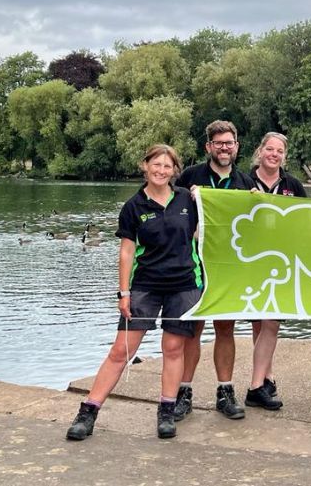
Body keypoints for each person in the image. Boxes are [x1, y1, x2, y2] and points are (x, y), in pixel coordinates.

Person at [66, 144, 201, 441]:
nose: (161, 171)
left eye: (167, 166)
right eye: (156, 165)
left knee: (174, 349)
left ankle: (166, 410)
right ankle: (88, 411)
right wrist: (123, 293)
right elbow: (127, 252)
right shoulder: (133, 206)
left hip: (183, 284)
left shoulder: (188, 201)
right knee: (121, 351)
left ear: (174, 171)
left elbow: (212, 228)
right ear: (145, 165)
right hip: (145, 286)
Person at [173, 120, 256, 421]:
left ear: (237, 146)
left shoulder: (246, 183)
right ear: (208, 146)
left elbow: (256, 226)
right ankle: (183, 392)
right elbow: (170, 216)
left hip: (227, 268)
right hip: (192, 265)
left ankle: (225, 391)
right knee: (192, 329)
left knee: (225, 328)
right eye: (218, 143)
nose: (224, 148)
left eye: (229, 143)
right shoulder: (189, 177)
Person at [244, 132, 308, 411]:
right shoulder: (242, 181)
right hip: (249, 261)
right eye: (269, 149)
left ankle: (259, 383)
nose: (274, 154)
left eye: (279, 151)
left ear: (284, 155)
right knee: (259, 324)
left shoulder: (292, 184)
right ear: (260, 152)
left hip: (283, 263)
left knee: (271, 324)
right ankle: (261, 381)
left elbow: (307, 220)